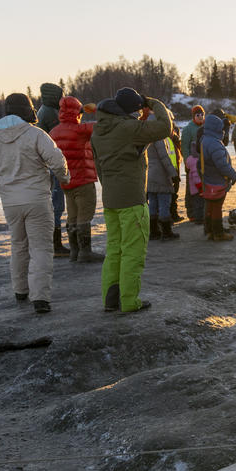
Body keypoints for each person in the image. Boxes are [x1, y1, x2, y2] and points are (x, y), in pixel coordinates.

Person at [0, 93, 70, 314]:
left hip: (10, 202)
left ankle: (20, 291)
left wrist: (6, 175)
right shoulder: (36, 134)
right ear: (27, 110)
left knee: (18, 245)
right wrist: (64, 177)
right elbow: (57, 160)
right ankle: (40, 297)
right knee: (40, 247)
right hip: (37, 200)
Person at [90, 87, 174, 313]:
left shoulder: (99, 131)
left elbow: (99, 166)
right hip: (132, 200)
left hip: (110, 200)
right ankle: (129, 302)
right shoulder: (128, 128)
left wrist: (111, 188)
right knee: (133, 252)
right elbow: (166, 128)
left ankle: (111, 299)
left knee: (114, 250)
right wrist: (154, 102)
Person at [48, 96, 104, 263]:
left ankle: (74, 251)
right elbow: (104, 126)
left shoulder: (53, 132)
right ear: (77, 112)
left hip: (66, 182)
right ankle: (85, 251)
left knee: (71, 214)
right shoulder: (81, 130)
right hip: (83, 180)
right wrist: (96, 110)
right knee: (84, 215)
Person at [35, 82, 69, 257]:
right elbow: (61, 133)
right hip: (51, 165)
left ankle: (53, 243)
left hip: (45, 163)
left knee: (54, 204)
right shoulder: (49, 113)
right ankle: (55, 245)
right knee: (56, 205)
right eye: (60, 95)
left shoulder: (44, 111)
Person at [197, 111, 236, 241]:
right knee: (216, 208)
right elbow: (222, 165)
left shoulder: (205, 139)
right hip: (217, 181)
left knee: (210, 206)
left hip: (208, 180)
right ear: (217, 129)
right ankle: (218, 233)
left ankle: (210, 230)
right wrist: (233, 174)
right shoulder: (214, 144)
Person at [146, 116, 181, 241]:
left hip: (149, 174)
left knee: (153, 204)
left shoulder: (145, 137)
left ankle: (153, 231)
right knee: (164, 203)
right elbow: (164, 158)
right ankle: (166, 231)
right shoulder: (159, 139)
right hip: (160, 174)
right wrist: (173, 174)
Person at [179, 106, 205, 223]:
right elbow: (184, 146)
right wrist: (187, 160)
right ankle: (191, 212)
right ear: (194, 116)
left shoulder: (205, 127)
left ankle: (202, 211)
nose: (200, 117)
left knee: (202, 187)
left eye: (202, 115)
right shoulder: (188, 129)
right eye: (198, 115)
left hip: (204, 163)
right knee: (192, 189)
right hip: (192, 163)